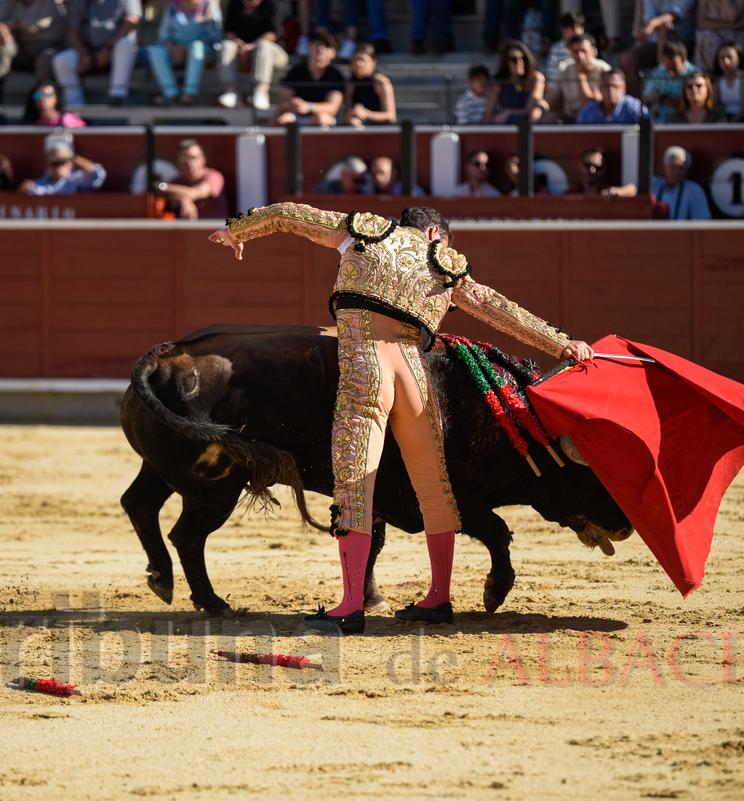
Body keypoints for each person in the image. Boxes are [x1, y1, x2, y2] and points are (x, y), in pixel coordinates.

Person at [208, 204, 594, 633]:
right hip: (414, 375)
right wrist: (561, 342)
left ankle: (351, 604)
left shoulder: (365, 232)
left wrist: (238, 230)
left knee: (356, 483)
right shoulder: (443, 262)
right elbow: (494, 307)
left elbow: (288, 214)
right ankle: (438, 599)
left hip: (366, 368)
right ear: (434, 232)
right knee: (434, 487)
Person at [51, 0, 141, 107]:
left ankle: (117, 96)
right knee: (61, 60)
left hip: (115, 50)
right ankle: (75, 107)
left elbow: (132, 21)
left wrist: (108, 49)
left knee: (126, 44)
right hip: (89, 52)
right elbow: (73, 29)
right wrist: (82, 53)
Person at [0, 0, 67, 103]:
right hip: (20, 47)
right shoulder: (10, 2)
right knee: (1, 42)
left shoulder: (52, 2)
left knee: (46, 59)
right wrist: (0, 27)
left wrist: (8, 25)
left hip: (46, 47)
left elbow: (37, 25)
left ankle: (41, 99)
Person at [605, 146, 712, 218]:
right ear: (664, 167)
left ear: (687, 170)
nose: (677, 172)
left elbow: (702, 221)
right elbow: (635, 188)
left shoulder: (694, 190)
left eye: (681, 168)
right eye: (673, 167)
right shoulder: (655, 183)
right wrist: (619, 191)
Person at [217, 0, 287, 111]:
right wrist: (241, 45)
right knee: (226, 45)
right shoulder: (234, 4)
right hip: (242, 50)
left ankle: (261, 91)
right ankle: (230, 90)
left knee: (263, 46)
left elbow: (274, 34)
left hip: (273, 53)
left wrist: (252, 47)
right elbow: (228, 31)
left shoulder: (272, 4)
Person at [148, 0, 221, 106]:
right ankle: (171, 95)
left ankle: (190, 94)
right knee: (156, 51)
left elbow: (213, 35)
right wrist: (172, 48)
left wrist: (186, 48)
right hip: (175, 49)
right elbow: (164, 33)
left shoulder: (210, 4)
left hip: (204, 50)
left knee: (196, 48)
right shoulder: (172, 5)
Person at [620, 0, 697, 92]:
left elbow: (675, 15)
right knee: (626, 59)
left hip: (683, 40)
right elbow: (649, 18)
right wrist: (657, 25)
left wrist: (653, 24)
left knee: (664, 38)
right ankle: (637, 102)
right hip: (654, 40)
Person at [271, 32, 343, 127]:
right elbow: (282, 103)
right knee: (279, 118)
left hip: (323, 117)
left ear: (333, 53)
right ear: (309, 46)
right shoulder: (295, 71)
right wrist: (292, 104)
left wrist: (309, 106)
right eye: (318, 44)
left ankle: (319, 143)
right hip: (297, 115)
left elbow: (332, 108)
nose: (321, 49)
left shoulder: (336, 76)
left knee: (321, 118)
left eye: (326, 46)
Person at [154, 139, 228, 219]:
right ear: (179, 162)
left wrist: (162, 186)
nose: (189, 162)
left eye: (194, 157)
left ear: (203, 159)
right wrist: (182, 198)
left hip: (217, 229)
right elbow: (160, 194)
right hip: (187, 230)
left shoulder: (214, 176)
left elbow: (193, 193)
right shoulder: (177, 180)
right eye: (184, 158)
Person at [546, 33, 611, 121]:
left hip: (595, 118)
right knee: (549, 118)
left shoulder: (604, 70)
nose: (580, 56)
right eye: (575, 52)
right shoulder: (564, 68)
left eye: (584, 51)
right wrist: (539, 108)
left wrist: (581, 75)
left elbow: (589, 104)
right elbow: (550, 97)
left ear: (593, 52)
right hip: (570, 117)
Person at [483, 41, 548, 124]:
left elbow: (530, 108)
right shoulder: (500, 83)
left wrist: (508, 112)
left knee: (537, 111)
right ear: (506, 62)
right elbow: (489, 111)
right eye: (514, 59)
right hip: (507, 121)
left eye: (523, 58)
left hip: (530, 121)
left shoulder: (536, 77)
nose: (519, 62)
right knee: (496, 119)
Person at [642, 40, 702, 122]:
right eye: (668, 67)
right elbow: (644, 99)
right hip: (661, 122)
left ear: (685, 60)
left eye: (675, 68)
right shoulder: (659, 71)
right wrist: (653, 97)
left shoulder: (696, 74)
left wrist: (682, 103)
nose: (671, 73)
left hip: (686, 122)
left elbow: (703, 105)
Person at [20, 140, 106, 195]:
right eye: (54, 163)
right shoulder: (39, 183)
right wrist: (25, 188)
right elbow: (27, 191)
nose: (59, 166)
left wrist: (73, 157)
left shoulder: (75, 180)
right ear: (48, 165)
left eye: (62, 162)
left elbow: (97, 174)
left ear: (70, 163)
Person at [694, 0, 744, 75]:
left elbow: (731, 16)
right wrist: (733, 26)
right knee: (706, 38)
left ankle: (733, 76)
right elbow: (701, 24)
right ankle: (711, 77)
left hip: (738, 33)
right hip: (715, 32)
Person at [343, 43, 395, 127]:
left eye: (362, 60)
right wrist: (350, 114)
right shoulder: (351, 85)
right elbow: (345, 117)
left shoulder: (381, 83)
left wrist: (367, 115)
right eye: (355, 59)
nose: (358, 63)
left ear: (373, 62)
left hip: (380, 130)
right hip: (357, 127)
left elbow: (391, 117)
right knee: (353, 122)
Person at [576, 69, 650, 122]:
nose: (611, 90)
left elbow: (648, 128)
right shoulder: (587, 112)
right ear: (600, 88)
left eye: (615, 86)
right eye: (606, 86)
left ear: (624, 89)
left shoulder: (634, 107)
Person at [712, 41, 744, 120]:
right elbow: (714, 105)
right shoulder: (717, 80)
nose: (725, 62)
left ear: (739, 59)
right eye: (722, 58)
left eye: (729, 57)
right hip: (726, 119)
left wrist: (730, 125)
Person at [22, 79, 86, 126]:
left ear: (56, 98)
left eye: (48, 95)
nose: (43, 98)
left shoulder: (67, 121)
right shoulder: (29, 125)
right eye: (38, 95)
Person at [546, 11, 587, 79]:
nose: (577, 31)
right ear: (563, 29)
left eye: (579, 27)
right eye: (572, 28)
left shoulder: (590, 48)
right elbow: (551, 76)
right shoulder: (556, 48)